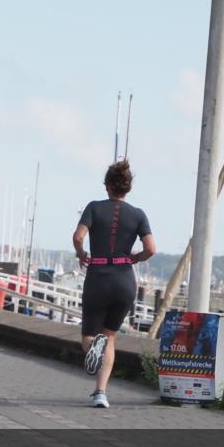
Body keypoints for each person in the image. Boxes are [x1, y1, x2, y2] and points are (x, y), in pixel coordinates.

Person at [73, 159, 156, 408]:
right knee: (109, 336)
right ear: (128, 187)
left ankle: (93, 351)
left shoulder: (94, 208)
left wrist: (81, 254)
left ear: (107, 185)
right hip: (124, 280)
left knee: (89, 335)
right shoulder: (138, 214)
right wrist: (136, 258)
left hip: (98, 276)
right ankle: (101, 393)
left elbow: (78, 237)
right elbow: (151, 248)